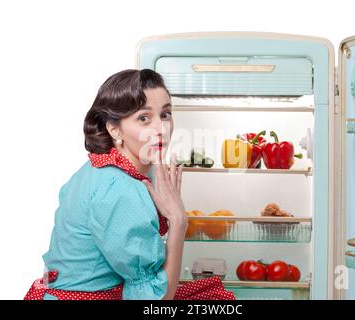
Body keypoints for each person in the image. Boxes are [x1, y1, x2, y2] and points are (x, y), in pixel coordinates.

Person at [24, 69, 235, 300]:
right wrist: (178, 221)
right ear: (114, 128)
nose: (160, 129)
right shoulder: (118, 188)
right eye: (143, 118)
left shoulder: (103, 169)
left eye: (165, 114)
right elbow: (155, 301)